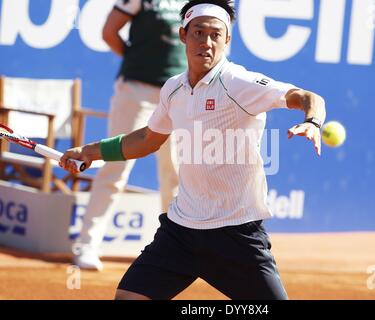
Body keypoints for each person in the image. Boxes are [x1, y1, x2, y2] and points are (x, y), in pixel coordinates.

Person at [61, 0, 326, 299]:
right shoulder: (173, 88)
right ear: (183, 36)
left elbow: (305, 96)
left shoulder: (239, 83)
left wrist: (312, 122)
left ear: (227, 39)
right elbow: (148, 139)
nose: (207, 43)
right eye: (199, 33)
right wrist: (90, 151)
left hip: (236, 233)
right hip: (181, 231)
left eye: (216, 34)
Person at [72, 0, 188, 271]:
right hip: (136, 90)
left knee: (174, 174)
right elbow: (109, 31)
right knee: (115, 166)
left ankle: (174, 249)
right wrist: (136, 60)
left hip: (178, 96)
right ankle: (86, 245)